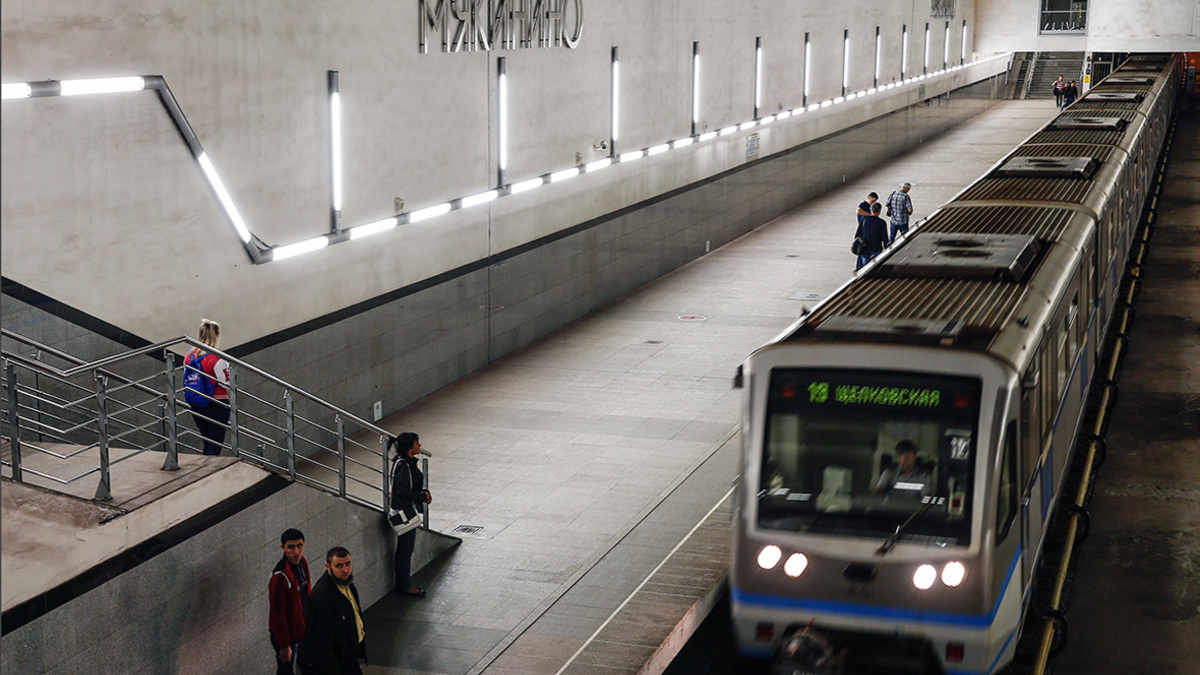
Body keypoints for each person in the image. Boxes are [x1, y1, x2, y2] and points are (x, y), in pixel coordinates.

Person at [303, 547, 366, 675]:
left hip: (350, 654)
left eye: (348, 564)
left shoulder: (347, 583)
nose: (345, 570)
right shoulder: (323, 596)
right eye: (339, 566)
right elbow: (322, 642)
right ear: (328, 566)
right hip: (338, 662)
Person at [389, 432, 432, 597]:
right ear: (410, 447)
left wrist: (423, 493)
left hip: (405, 509)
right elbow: (401, 491)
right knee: (406, 550)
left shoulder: (407, 463)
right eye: (417, 443)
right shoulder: (403, 465)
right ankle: (405, 585)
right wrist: (421, 496)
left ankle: (404, 583)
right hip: (403, 512)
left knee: (405, 549)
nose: (420, 446)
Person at [185, 318, 231, 455]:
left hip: (197, 403)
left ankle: (205, 466)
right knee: (215, 443)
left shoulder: (189, 355)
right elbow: (225, 383)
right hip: (217, 403)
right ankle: (210, 471)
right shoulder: (217, 358)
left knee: (206, 440)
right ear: (216, 335)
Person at [269, 528, 311, 675]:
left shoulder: (302, 563)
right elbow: (277, 614)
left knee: (309, 666)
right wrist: (284, 645)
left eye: (299, 546)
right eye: (291, 547)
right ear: (283, 548)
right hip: (288, 637)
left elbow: (306, 596)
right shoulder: (280, 576)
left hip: (302, 630)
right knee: (287, 671)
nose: (296, 551)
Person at [854, 202, 889, 270]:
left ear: (871, 210)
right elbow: (884, 237)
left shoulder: (864, 219)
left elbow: (857, 234)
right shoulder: (881, 222)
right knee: (876, 267)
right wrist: (886, 248)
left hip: (864, 248)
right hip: (876, 248)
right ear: (879, 211)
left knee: (865, 268)